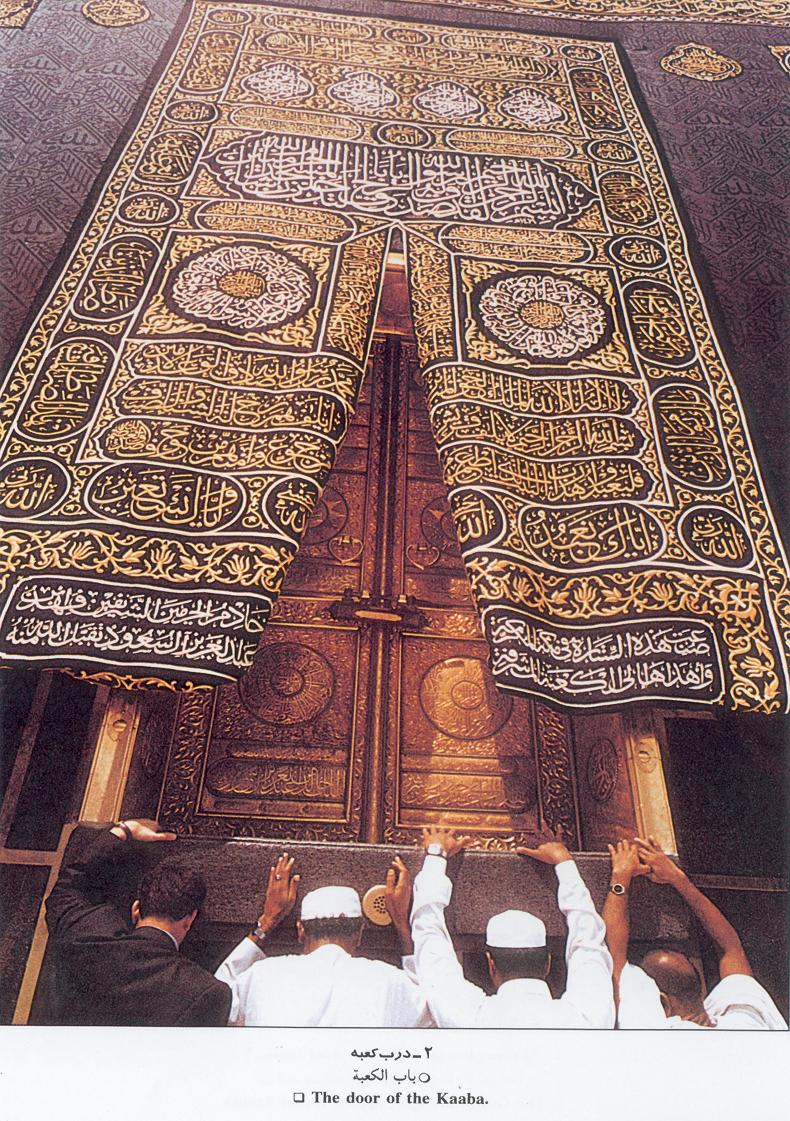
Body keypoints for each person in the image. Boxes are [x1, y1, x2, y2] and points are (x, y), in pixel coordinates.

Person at [409, 824, 615, 1027]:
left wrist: (436, 854)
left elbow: (429, 935)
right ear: (548, 963)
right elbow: (588, 942)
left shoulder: (470, 1018)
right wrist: (563, 861)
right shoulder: (586, 1020)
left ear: (491, 965)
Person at [45, 818, 236, 1026]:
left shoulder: (84, 940)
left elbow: (66, 889)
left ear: (136, 908)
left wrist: (124, 830)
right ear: (189, 920)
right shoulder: (207, 993)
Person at [215, 853, 433, 1027]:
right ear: (359, 934)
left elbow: (215, 996)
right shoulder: (388, 981)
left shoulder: (261, 975)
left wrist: (267, 921)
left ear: (301, 930)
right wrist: (402, 924)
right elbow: (432, 1004)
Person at [603, 835, 787, 1029]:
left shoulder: (654, 1030)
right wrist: (677, 878)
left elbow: (611, 959)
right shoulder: (748, 1023)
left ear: (663, 1004)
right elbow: (731, 948)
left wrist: (620, 877)